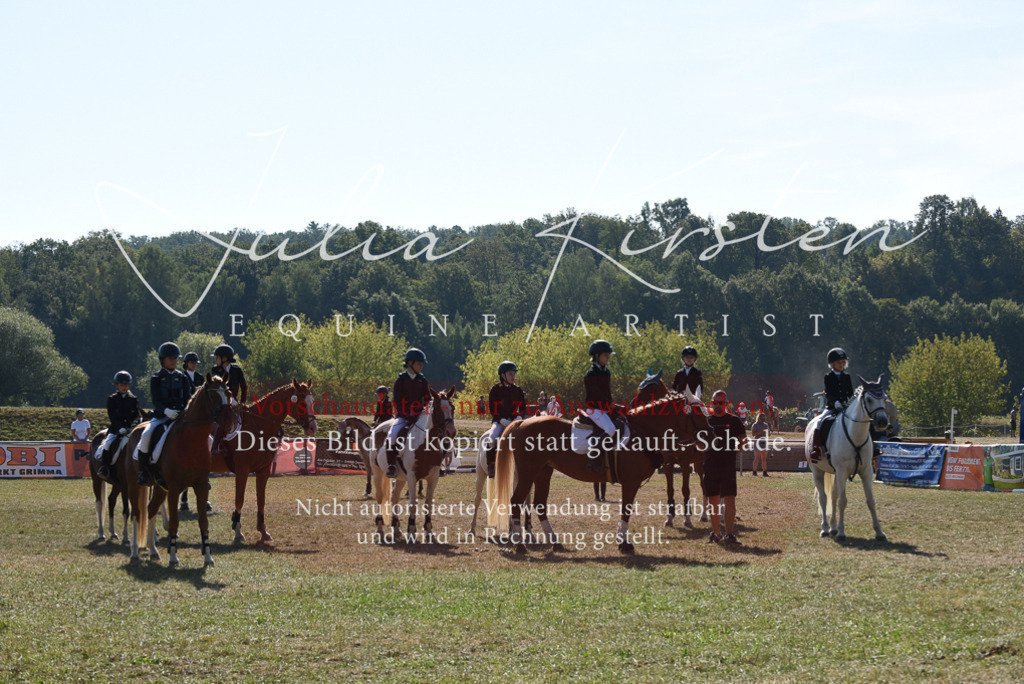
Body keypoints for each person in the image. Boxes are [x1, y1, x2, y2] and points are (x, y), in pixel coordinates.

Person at [136, 342, 190, 488]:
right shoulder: (156, 378)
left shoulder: (183, 377)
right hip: (162, 416)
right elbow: (156, 401)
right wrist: (167, 411)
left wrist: (183, 412)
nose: (173, 360)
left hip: (180, 416)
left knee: (206, 438)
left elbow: (187, 399)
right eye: (170, 358)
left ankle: (203, 470)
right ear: (163, 360)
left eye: (175, 358)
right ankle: (143, 471)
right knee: (146, 434)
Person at [704, 390, 746, 545]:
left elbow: (743, 439)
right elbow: (699, 442)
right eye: (713, 402)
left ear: (726, 403)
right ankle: (715, 533)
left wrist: (736, 450)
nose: (716, 405)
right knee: (713, 500)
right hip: (710, 466)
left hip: (728, 466)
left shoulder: (734, 420)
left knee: (729, 500)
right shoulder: (707, 421)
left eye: (719, 403)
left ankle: (729, 534)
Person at [385, 348, 431, 479]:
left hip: (420, 416)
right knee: (392, 436)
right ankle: (391, 465)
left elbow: (428, 399)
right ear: (410, 363)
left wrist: (427, 412)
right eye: (419, 364)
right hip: (403, 417)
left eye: (422, 364)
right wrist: (407, 414)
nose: (421, 366)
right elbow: (398, 401)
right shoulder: (400, 380)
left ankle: (436, 464)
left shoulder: (423, 380)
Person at [583, 339, 627, 473]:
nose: (608, 358)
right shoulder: (591, 374)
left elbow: (607, 393)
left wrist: (615, 406)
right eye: (605, 355)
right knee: (610, 428)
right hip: (594, 409)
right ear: (597, 356)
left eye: (608, 355)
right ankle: (593, 459)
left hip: (604, 409)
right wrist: (611, 405)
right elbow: (596, 395)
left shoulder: (606, 372)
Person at [480, 360, 528, 478]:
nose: (513, 376)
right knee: (492, 439)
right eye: (510, 374)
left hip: (515, 422)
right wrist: (501, 420)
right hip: (500, 422)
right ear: (503, 375)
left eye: (514, 374)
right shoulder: (495, 389)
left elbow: (522, 407)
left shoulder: (518, 390)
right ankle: (491, 466)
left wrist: (519, 416)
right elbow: (492, 408)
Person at [96, 371, 143, 479]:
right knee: (107, 444)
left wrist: (132, 426)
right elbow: (112, 416)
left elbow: (137, 415)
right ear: (117, 385)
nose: (124, 387)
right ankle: (105, 467)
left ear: (129, 385)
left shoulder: (133, 399)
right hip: (116, 429)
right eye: (121, 385)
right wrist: (119, 428)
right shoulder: (112, 399)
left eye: (126, 385)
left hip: (130, 429)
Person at [810, 348, 854, 463]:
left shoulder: (847, 377)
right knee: (819, 423)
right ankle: (816, 450)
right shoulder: (828, 377)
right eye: (839, 362)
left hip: (846, 407)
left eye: (843, 362)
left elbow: (850, 393)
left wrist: (851, 402)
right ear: (832, 363)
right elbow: (828, 392)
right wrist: (835, 402)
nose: (842, 364)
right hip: (832, 407)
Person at [750, 412, 770, 477]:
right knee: (757, 458)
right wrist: (762, 431)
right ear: (758, 419)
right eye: (761, 420)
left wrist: (768, 431)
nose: (762, 421)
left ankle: (764, 472)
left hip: (764, 442)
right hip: (757, 442)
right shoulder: (755, 425)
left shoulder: (766, 425)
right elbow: (753, 434)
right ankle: (754, 471)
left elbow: (769, 435)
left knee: (764, 458)